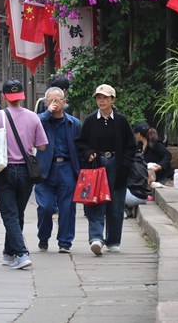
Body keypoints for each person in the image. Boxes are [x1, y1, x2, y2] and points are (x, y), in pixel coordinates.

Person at [0, 79, 47, 270]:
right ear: (22, 96)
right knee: (17, 213)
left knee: (10, 215)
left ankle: (20, 253)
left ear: (4, 96)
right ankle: (8, 253)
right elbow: (42, 145)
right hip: (26, 172)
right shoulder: (33, 117)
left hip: (4, 170)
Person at [75, 84, 137, 256]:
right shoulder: (89, 121)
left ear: (112, 100)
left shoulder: (121, 121)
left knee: (116, 204)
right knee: (95, 201)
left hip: (117, 165)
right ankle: (96, 238)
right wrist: (89, 152)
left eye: (105, 97)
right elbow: (80, 142)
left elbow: (131, 146)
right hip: (97, 165)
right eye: (98, 97)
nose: (101, 101)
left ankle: (113, 240)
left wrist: (125, 165)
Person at [35, 87, 81, 254]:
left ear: (64, 102)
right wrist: (47, 112)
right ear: (46, 103)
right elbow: (35, 123)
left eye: (57, 100)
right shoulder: (41, 121)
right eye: (50, 100)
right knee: (45, 207)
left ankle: (65, 242)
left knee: (67, 207)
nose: (54, 103)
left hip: (67, 168)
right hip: (45, 168)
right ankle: (43, 236)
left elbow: (80, 147)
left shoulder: (74, 123)